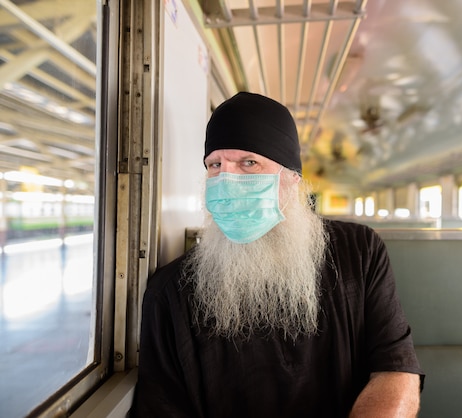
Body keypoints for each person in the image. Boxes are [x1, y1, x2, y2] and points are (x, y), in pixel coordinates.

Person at [131, 92, 424, 417]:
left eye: (249, 163)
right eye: (215, 165)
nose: (227, 180)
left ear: (291, 178)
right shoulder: (170, 292)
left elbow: (395, 369)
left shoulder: (359, 251)